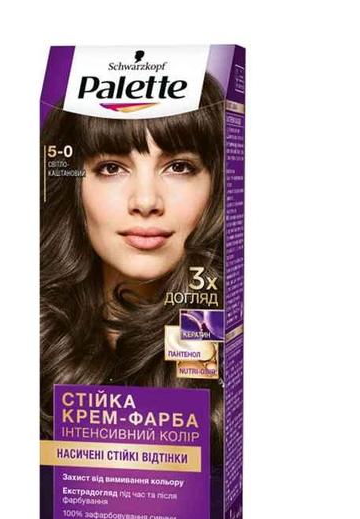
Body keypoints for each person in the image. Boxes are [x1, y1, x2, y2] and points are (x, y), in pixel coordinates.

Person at [40, 73, 225, 465]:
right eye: (111, 168)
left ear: (217, 184)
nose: (145, 201)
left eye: (179, 166)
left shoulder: (221, 340)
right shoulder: (38, 337)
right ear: (73, 186)